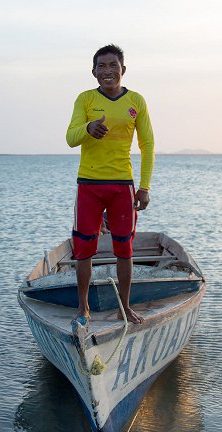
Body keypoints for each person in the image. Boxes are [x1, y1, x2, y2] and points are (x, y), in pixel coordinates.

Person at [66, 44, 155, 325]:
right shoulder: (85, 99)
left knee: (124, 249)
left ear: (123, 70)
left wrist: (145, 186)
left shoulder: (136, 101)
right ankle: (83, 308)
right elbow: (70, 138)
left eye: (113, 66)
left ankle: (125, 307)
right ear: (93, 72)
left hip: (122, 186)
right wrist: (88, 128)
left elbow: (147, 144)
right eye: (101, 66)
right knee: (84, 248)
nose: (107, 71)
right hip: (89, 185)